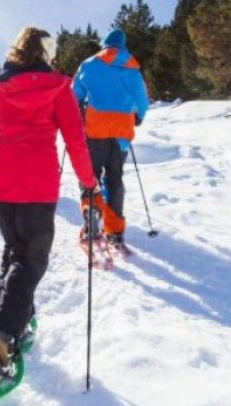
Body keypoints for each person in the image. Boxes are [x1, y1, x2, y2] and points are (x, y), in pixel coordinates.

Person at [0, 26, 98, 377]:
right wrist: (88, 182)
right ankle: (1, 332)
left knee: (15, 251)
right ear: (45, 53)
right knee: (32, 258)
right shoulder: (57, 87)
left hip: (1, 185)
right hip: (36, 186)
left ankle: (16, 321)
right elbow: (75, 139)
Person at [71, 28, 150, 252]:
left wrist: (76, 115)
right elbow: (142, 101)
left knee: (91, 177)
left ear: (104, 44)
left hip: (95, 131)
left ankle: (92, 220)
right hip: (121, 134)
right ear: (123, 45)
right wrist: (138, 117)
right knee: (115, 178)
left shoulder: (89, 64)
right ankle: (115, 231)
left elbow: (74, 94)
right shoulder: (133, 68)